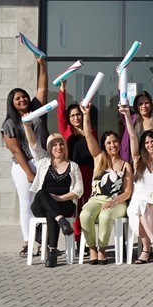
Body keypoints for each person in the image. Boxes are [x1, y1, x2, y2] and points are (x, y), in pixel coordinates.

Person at [2, 55, 49, 257]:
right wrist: (28, 172)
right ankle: (28, 242)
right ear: (12, 103)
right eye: (17, 98)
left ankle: (44, 242)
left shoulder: (36, 111)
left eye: (24, 96)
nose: (22, 100)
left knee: (45, 203)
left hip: (44, 162)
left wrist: (42, 66)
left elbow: (42, 88)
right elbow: (16, 150)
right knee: (27, 204)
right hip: (24, 166)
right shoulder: (9, 124)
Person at [78, 104, 133, 265]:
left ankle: (102, 249)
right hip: (96, 199)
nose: (112, 145)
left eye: (115, 142)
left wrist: (113, 202)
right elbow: (88, 135)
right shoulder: (99, 159)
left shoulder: (125, 165)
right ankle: (92, 248)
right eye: (108, 143)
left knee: (106, 215)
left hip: (117, 202)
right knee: (85, 215)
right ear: (104, 145)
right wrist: (86, 115)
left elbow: (127, 191)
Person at [24, 125, 83, 267]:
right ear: (49, 148)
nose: (58, 147)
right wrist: (27, 125)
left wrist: (60, 198)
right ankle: (61, 222)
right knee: (43, 193)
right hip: (41, 203)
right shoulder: (43, 162)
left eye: (61, 144)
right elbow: (33, 144)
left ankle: (52, 252)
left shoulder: (73, 166)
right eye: (54, 145)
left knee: (52, 212)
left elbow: (79, 190)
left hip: (64, 203)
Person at [121, 104, 153, 264]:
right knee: (140, 207)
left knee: (146, 209)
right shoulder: (138, 161)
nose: (150, 145)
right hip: (138, 199)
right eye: (147, 142)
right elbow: (132, 136)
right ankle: (151, 243)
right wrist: (128, 116)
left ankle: (146, 249)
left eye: (152, 141)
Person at [56, 81, 97, 243]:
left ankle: (88, 240)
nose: (76, 117)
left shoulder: (91, 130)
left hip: (89, 171)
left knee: (87, 206)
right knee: (76, 206)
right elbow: (60, 112)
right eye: (72, 115)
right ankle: (77, 238)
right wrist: (62, 90)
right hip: (73, 172)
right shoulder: (66, 131)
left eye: (78, 114)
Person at [118, 90, 153, 163]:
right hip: (136, 164)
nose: (144, 106)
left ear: (151, 104)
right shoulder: (131, 119)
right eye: (140, 104)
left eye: (146, 103)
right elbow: (121, 95)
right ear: (136, 106)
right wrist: (121, 80)